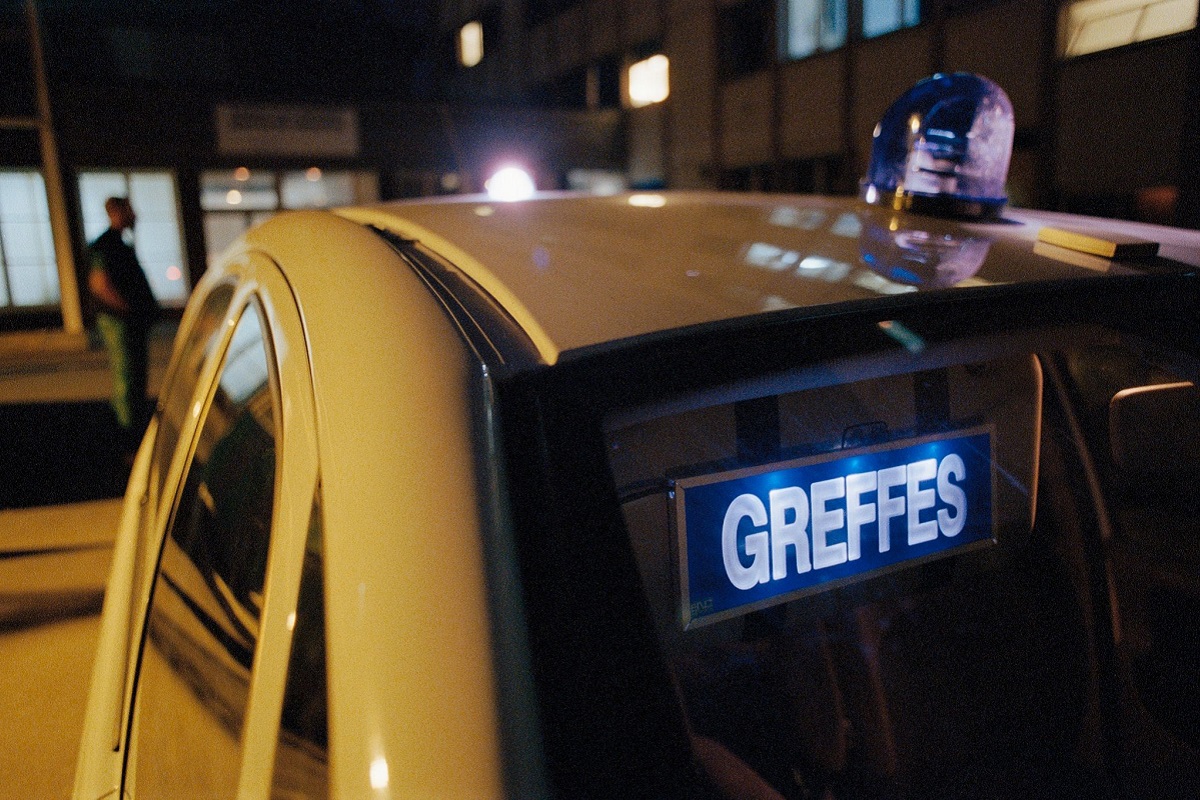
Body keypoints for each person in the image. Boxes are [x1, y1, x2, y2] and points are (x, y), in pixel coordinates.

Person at [88, 196, 160, 452]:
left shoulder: (120, 243)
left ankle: (133, 431)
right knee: (127, 376)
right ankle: (128, 438)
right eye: (130, 210)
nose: (134, 215)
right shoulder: (105, 245)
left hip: (130, 321)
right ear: (116, 212)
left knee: (136, 375)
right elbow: (100, 284)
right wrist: (129, 310)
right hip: (120, 323)